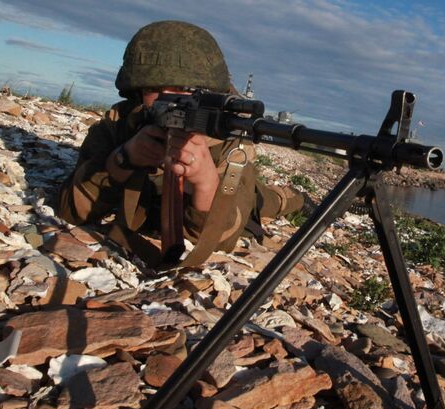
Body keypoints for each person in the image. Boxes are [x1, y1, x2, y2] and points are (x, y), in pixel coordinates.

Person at [58, 20, 304, 267]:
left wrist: (206, 184)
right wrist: (123, 158)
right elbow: (70, 209)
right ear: (138, 90)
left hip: (238, 190)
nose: (178, 101)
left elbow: (221, 240)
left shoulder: (230, 141)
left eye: (191, 90)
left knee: (266, 201)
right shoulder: (120, 122)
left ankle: (297, 197)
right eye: (158, 89)